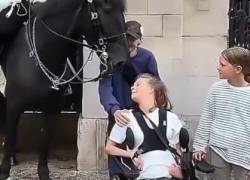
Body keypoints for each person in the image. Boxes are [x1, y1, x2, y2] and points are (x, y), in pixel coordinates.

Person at [98, 21, 160, 179]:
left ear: (139, 40)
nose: (129, 43)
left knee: (142, 159)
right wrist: (114, 109)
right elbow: (105, 86)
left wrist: (151, 110)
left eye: (132, 39)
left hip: (142, 116)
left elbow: (155, 86)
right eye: (126, 38)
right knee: (116, 161)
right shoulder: (110, 58)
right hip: (119, 115)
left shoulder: (147, 57)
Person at [105, 73, 184, 180]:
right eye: (133, 85)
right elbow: (109, 148)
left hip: (170, 175)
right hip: (144, 175)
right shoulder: (126, 117)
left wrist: (182, 173)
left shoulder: (171, 117)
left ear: (151, 89)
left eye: (138, 84)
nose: (133, 87)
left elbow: (180, 152)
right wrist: (130, 154)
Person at [193, 47, 250, 180]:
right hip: (218, 148)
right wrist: (199, 146)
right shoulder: (216, 88)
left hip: (244, 152)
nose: (218, 68)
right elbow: (207, 118)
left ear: (238, 69)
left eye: (223, 65)